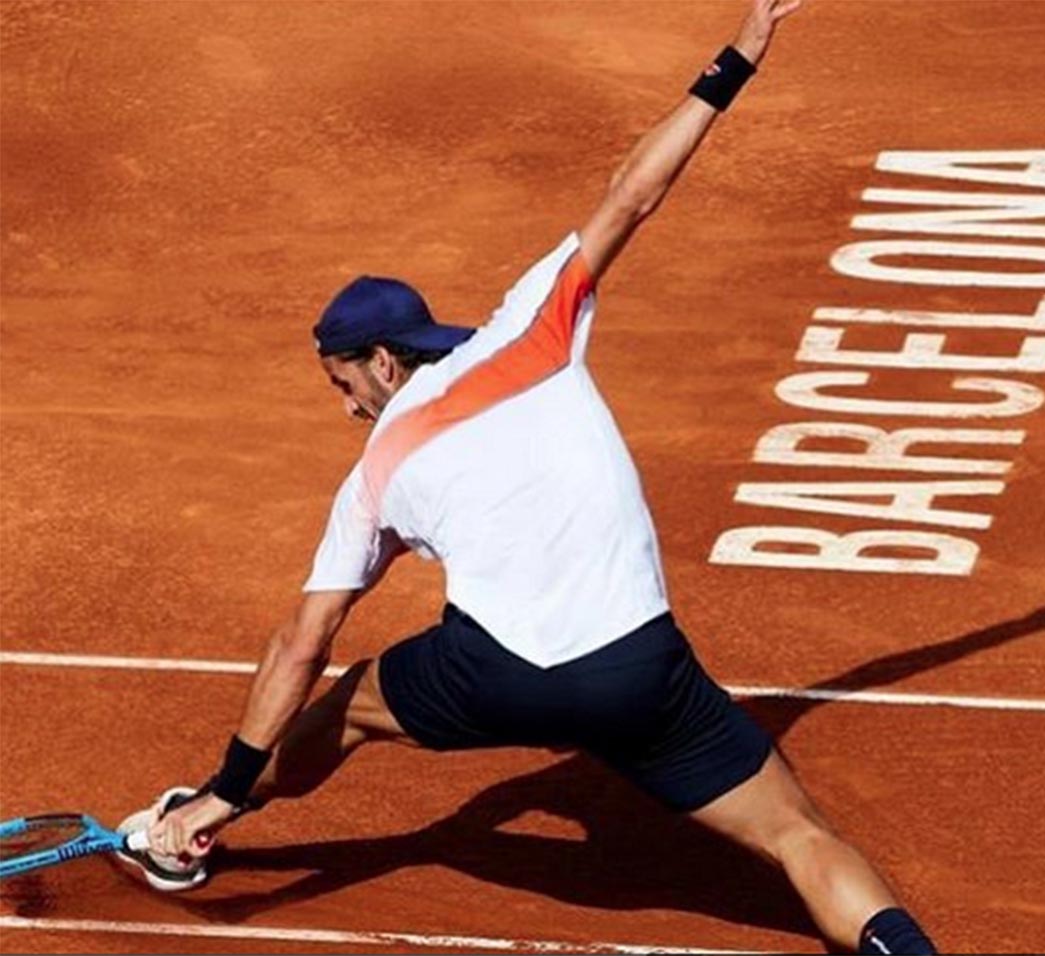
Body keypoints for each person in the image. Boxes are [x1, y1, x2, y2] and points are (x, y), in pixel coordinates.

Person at [119, 2, 937, 953]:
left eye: (343, 385)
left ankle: (197, 823)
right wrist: (732, 63)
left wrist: (227, 778)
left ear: (382, 363)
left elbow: (303, 641)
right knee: (801, 837)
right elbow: (634, 193)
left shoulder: (374, 474)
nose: (346, 410)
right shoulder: (533, 327)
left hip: (495, 676)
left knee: (345, 708)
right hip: (641, 669)